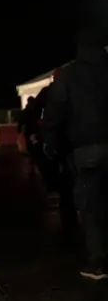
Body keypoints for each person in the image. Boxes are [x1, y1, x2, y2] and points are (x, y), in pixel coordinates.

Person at [42, 25, 108, 280]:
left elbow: (56, 111)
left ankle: (97, 262)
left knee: (91, 206)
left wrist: (49, 141)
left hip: (85, 149)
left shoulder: (69, 75)